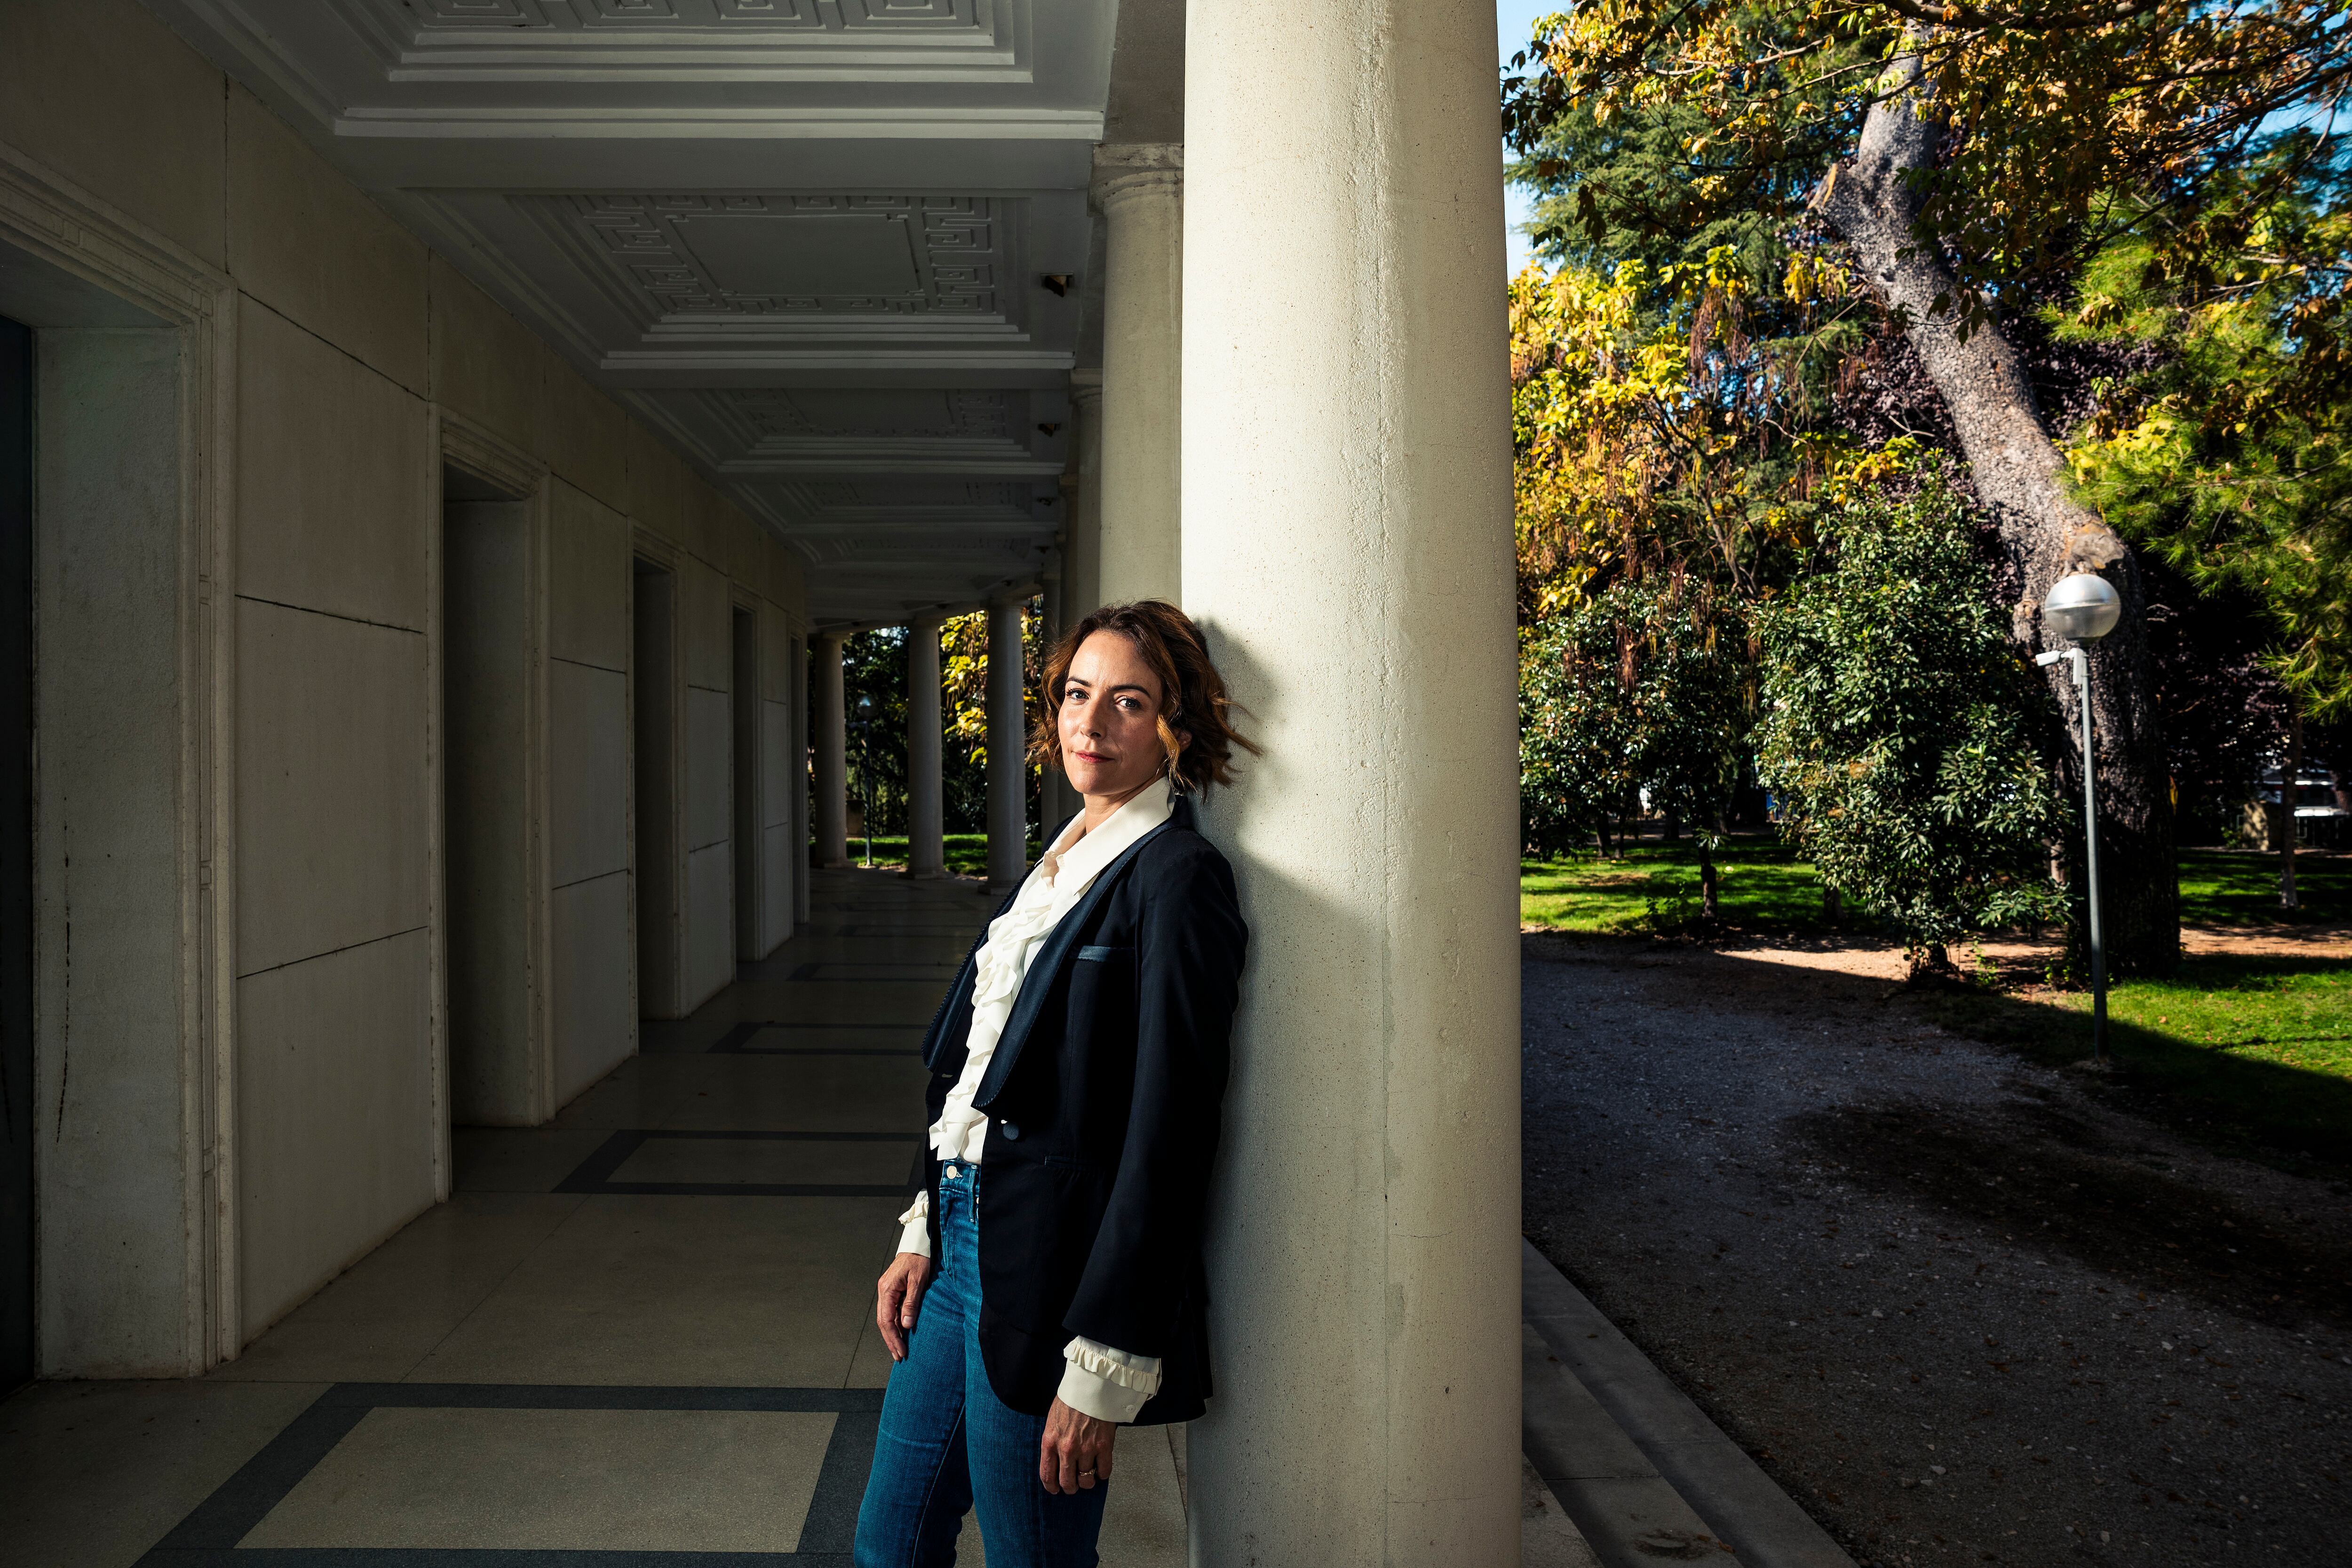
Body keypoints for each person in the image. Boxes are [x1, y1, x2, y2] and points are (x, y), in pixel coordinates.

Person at [851, 600, 1254, 1568]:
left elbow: (1168, 1133)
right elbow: (975, 1064)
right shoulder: (1061, 859)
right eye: (1078, 693)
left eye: (1128, 701)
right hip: (959, 1244)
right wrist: (923, 1221)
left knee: (1034, 1559)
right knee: (888, 1546)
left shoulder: (1175, 876)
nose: (1091, 722)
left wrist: (1104, 1367)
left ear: (1176, 727)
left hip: (1054, 1273)